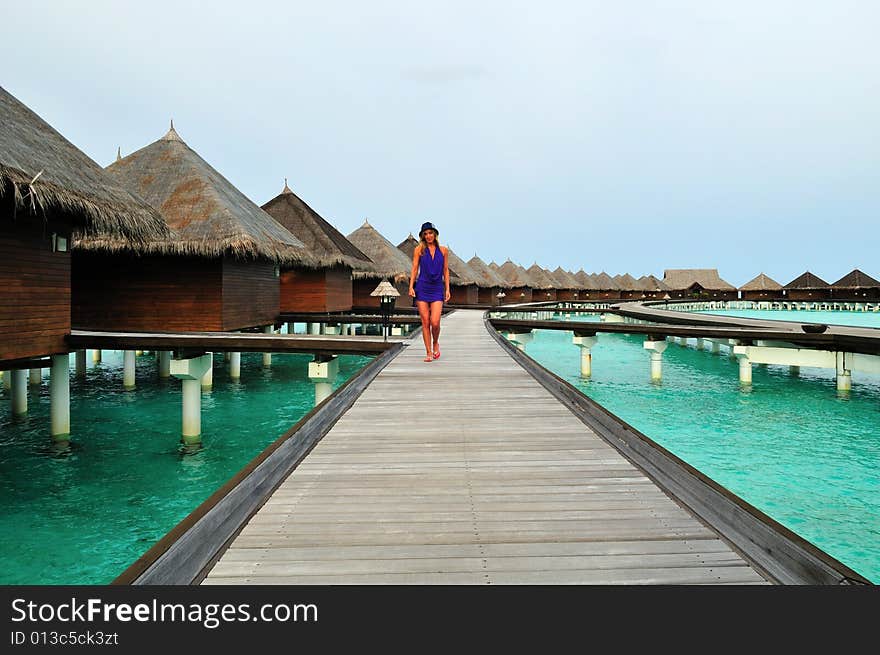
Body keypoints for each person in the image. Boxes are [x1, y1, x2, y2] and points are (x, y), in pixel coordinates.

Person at [409, 221, 450, 362]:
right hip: (422, 287)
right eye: (425, 234)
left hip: (437, 288)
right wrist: (410, 286)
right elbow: (415, 268)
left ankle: (435, 342)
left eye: (430, 233)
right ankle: (428, 352)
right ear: (422, 236)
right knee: (425, 322)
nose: (428, 236)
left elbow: (445, 270)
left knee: (435, 322)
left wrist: (448, 289)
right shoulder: (419, 250)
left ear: (435, 234)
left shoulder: (444, 250)